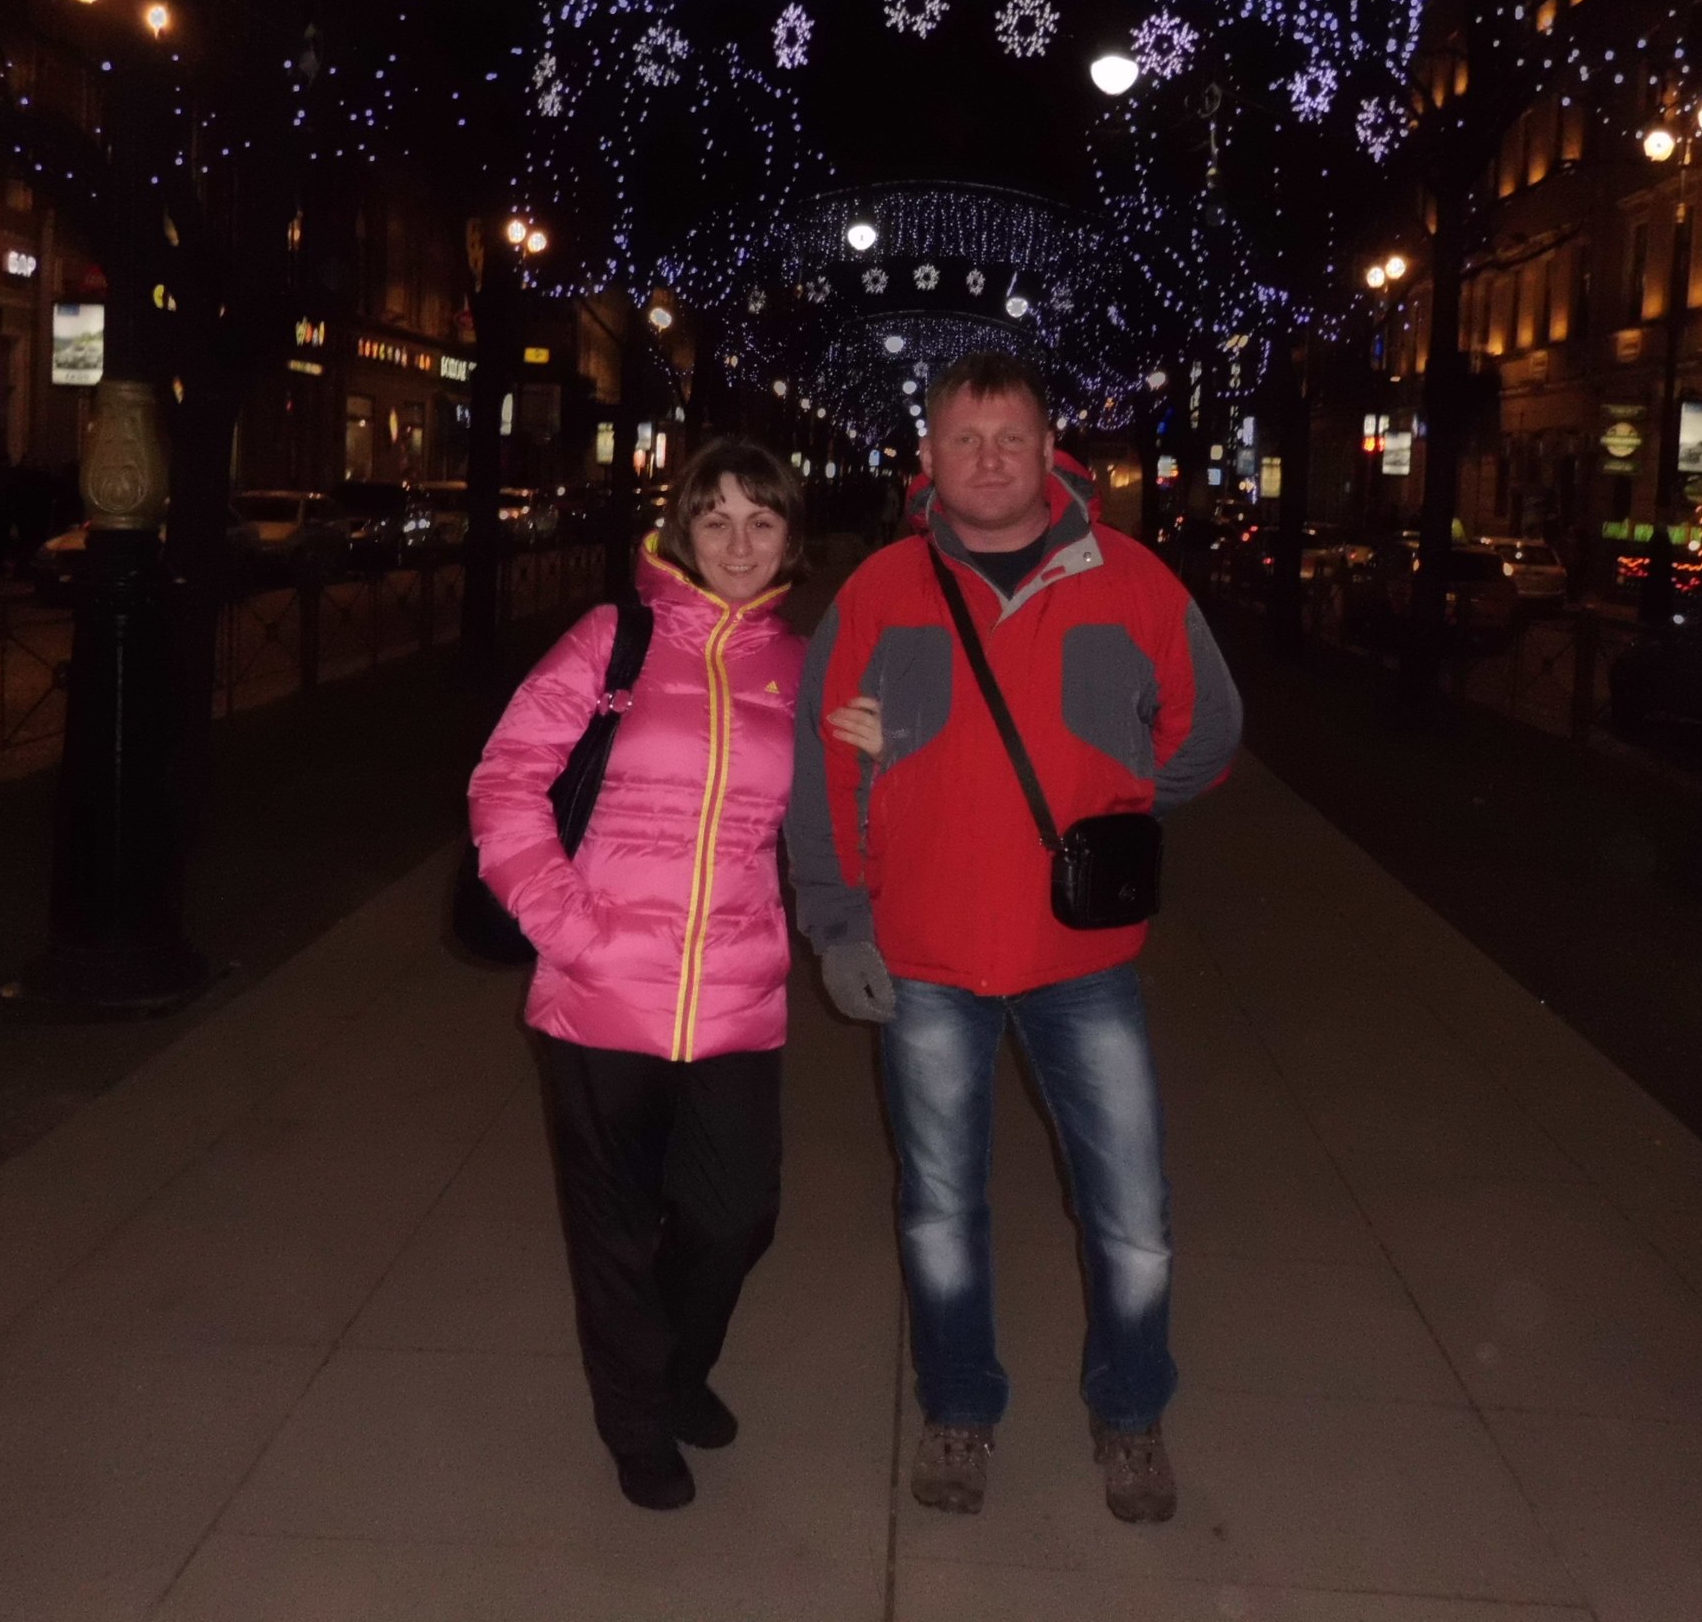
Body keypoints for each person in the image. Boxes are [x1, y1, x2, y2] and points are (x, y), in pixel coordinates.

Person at [788, 351, 1243, 1525]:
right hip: (924, 958)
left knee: (1131, 1216)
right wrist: (838, 922)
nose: (986, 460)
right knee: (940, 1210)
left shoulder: (1133, 582)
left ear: (1049, 451)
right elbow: (819, 771)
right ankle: (958, 1407)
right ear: (926, 457)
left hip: (1081, 961)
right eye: (963, 438)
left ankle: (1131, 1414)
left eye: (1009, 438)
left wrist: (1116, 799)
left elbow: (1207, 729)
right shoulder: (881, 590)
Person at [469, 436, 879, 1512]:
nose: (739, 543)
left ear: (791, 538)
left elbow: (841, 834)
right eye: (716, 519)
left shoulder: (806, 668)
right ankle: (637, 1421)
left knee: (736, 1216)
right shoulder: (613, 639)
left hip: (737, 996)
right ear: (682, 531)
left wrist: (879, 765)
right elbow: (506, 779)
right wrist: (570, 928)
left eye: (762, 521)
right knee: (612, 1232)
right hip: (598, 992)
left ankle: (677, 1366)